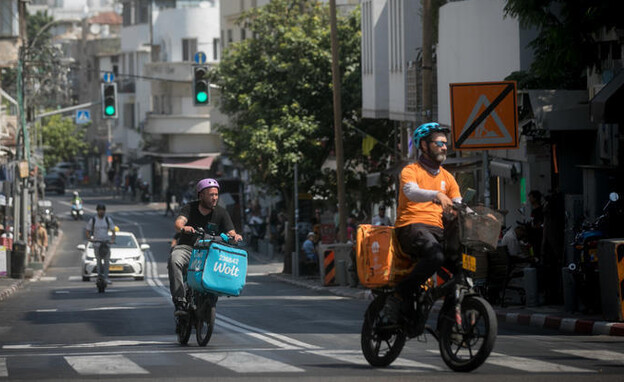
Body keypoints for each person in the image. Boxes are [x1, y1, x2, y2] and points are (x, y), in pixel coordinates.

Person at [383, 122, 462, 324]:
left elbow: (459, 203)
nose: (444, 147)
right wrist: (436, 195)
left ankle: (448, 321)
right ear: (424, 146)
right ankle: (400, 293)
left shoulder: (448, 177)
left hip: (438, 231)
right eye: (439, 143)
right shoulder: (411, 170)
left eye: (445, 143)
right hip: (411, 227)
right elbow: (411, 191)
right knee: (435, 256)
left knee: (461, 269)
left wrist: (478, 214)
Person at [168, 178, 243, 316]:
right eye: (211, 195)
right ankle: (180, 300)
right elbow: (178, 223)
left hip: (211, 253)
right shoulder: (189, 208)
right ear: (201, 195)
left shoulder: (221, 212)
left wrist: (235, 236)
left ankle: (210, 299)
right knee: (174, 259)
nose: (214, 198)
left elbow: (230, 231)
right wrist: (184, 228)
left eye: (216, 194)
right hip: (188, 249)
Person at [85, 204, 116, 284]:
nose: (101, 212)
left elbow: (113, 230)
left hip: (106, 243)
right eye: (100, 210)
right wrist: (90, 238)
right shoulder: (93, 220)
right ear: (97, 211)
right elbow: (87, 231)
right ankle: (99, 276)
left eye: (103, 210)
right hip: (97, 244)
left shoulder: (107, 219)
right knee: (98, 261)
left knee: (106, 261)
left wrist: (112, 239)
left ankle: (106, 277)